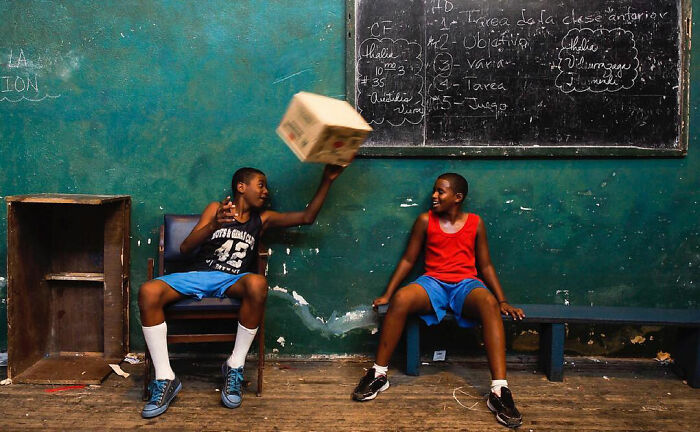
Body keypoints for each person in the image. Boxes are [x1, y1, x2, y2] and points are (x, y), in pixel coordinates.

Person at [139, 164, 344, 418]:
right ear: (241, 187)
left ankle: (234, 365)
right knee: (148, 291)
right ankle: (165, 378)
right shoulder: (216, 209)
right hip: (199, 276)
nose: (266, 191)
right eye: (261, 185)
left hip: (231, 281)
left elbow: (306, 217)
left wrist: (327, 179)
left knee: (258, 283)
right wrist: (213, 225)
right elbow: (184, 248)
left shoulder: (262, 220)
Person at [351, 172, 525, 428]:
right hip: (433, 282)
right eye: (434, 190)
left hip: (466, 283)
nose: (433, 196)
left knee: (488, 304)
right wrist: (388, 294)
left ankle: (499, 391)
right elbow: (409, 260)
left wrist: (502, 300)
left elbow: (485, 265)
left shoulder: (476, 223)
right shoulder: (425, 221)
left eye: (440, 192)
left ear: (458, 197)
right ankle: (379, 374)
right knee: (401, 299)